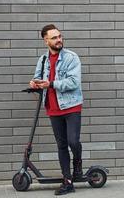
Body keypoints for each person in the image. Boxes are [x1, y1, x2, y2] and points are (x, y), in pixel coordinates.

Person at [29, 24, 83, 195]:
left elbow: (74, 82)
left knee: (73, 142)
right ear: (46, 41)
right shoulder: (43, 59)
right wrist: (34, 82)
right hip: (53, 108)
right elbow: (38, 77)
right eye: (54, 38)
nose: (59, 40)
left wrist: (51, 84)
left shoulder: (71, 57)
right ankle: (68, 182)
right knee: (61, 145)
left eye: (59, 36)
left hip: (71, 106)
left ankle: (78, 163)